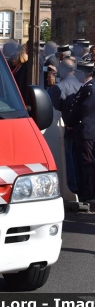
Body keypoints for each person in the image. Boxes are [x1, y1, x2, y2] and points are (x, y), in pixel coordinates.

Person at [50, 58, 82, 194]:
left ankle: (72, 185)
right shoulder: (82, 85)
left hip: (65, 126)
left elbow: (53, 108)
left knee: (68, 157)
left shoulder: (59, 87)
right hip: (81, 127)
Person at [64, 61, 95, 202]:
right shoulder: (85, 88)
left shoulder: (90, 89)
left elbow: (84, 111)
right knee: (83, 163)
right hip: (82, 130)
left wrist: (72, 122)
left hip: (86, 131)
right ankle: (86, 190)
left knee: (87, 163)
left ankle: (89, 193)